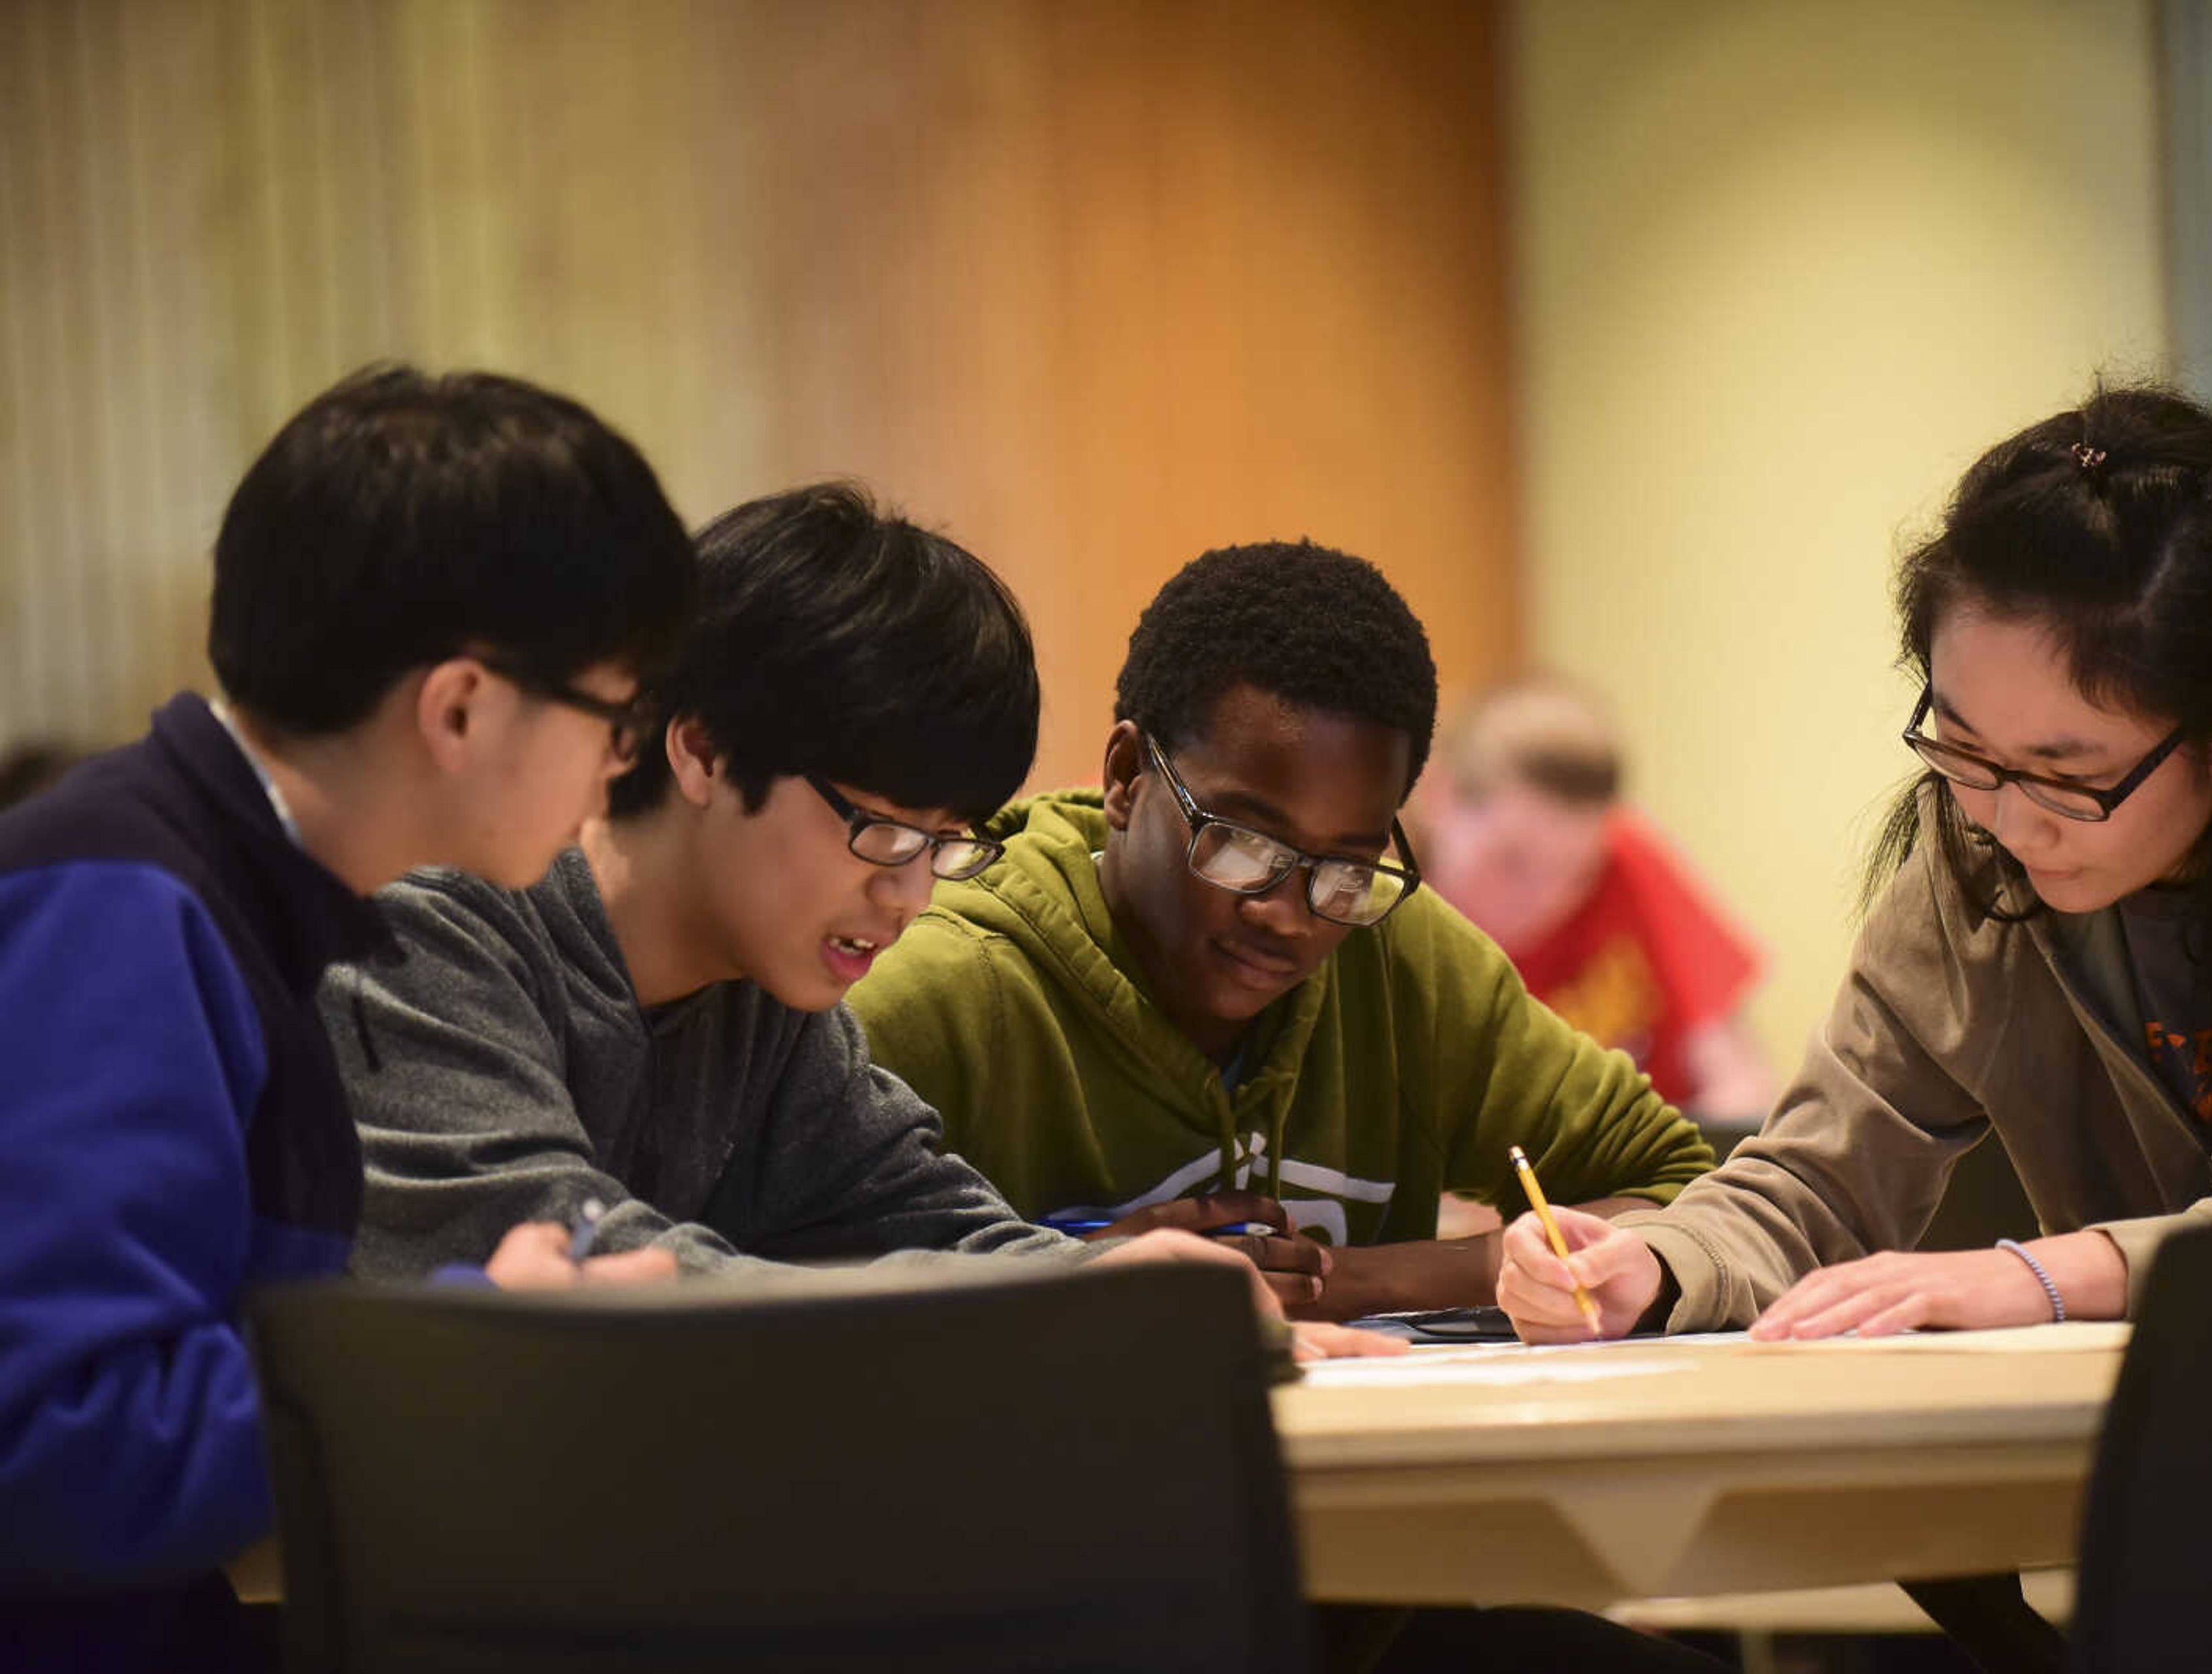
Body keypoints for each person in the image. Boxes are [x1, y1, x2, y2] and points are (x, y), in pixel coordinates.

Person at [1496, 386, 2212, 1345]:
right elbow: (1816, 1178)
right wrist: (1659, 1264)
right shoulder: (1975, 840)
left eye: (2072, 774)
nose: (2010, 821)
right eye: (1966, 745)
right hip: (2189, 1439)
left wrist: (2046, 1273)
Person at [320, 485, 1379, 1355]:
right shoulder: (427, 923)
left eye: (946, 843)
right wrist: (1062, 1306)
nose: (911, 895)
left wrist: (1117, 1284)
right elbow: (588, 1275)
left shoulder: (766, 995)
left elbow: (927, 1221)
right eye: (880, 829)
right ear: (701, 748)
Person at [0, 366, 694, 1668]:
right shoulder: (122, 906)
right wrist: (469, 1350)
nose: (622, 762)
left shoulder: (227, 894)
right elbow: (55, 1440)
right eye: (619, 713)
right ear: (462, 708)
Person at [849, 539, 1715, 1321]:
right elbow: (759, 1280)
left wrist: (1352, 1280)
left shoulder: (1406, 958)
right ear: (1124, 776)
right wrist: (1080, 1276)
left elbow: (1678, 1193)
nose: (1286, 912)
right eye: (1240, 842)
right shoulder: (941, 984)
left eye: (1345, 865)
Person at [1418, 677, 1773, 1118]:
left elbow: (1741, 1082)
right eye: (1512, 861)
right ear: (1440, 796)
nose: (1545, 897)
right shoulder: (1389, 923)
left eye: (1576, 872)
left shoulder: (1625, 856)